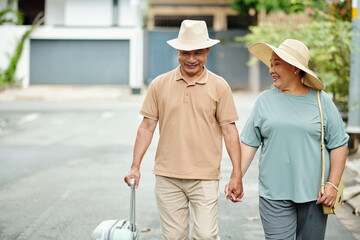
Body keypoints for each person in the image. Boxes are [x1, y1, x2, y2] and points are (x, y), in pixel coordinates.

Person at [124, 19, 243, 240]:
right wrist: (135, 167)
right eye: (186, 52)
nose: (191, 59)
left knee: (206, 236)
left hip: (205, 177)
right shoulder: (159, 84)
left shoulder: (220, 86)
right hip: (167, 176)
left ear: (207, 51)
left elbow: (229, 131)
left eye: (198, 52)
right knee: (174, 238)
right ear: (178, 51)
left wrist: (237, 174)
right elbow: (147, 127)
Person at [225, 39, 349, 239]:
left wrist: (332, 185)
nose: (271, 70)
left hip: (315, 196)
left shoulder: (321, 101)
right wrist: (236, 176)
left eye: (277, 64)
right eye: (271, 64)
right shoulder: (264, 101)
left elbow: (339, 144)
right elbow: (248, 143)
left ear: (294, 68)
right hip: (274, 194)